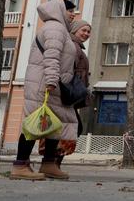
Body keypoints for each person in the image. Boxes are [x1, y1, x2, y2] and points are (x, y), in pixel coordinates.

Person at [10, 0, 79, 180]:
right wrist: (51, 80)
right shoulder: (55, 28)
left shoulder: (60, 29)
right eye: (69, 10)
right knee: (34, 123)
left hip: (54, 86)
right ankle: (20, 165)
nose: (73, 14)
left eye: (74, 11)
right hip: (45, 85)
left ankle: (48, 163)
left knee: (55, 125)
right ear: (59, 10)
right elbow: (51, 55)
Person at [36, 20, 92, 169]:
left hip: (70, 94)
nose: (86, 34)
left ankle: (53, 162)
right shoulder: (73, 47)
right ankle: (52, 162)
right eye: (83, 30)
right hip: (66, 93)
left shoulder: (77, 47)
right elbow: (67, 69)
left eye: (88, 31)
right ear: (74, 30)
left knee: (67, 127)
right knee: (68, 128)